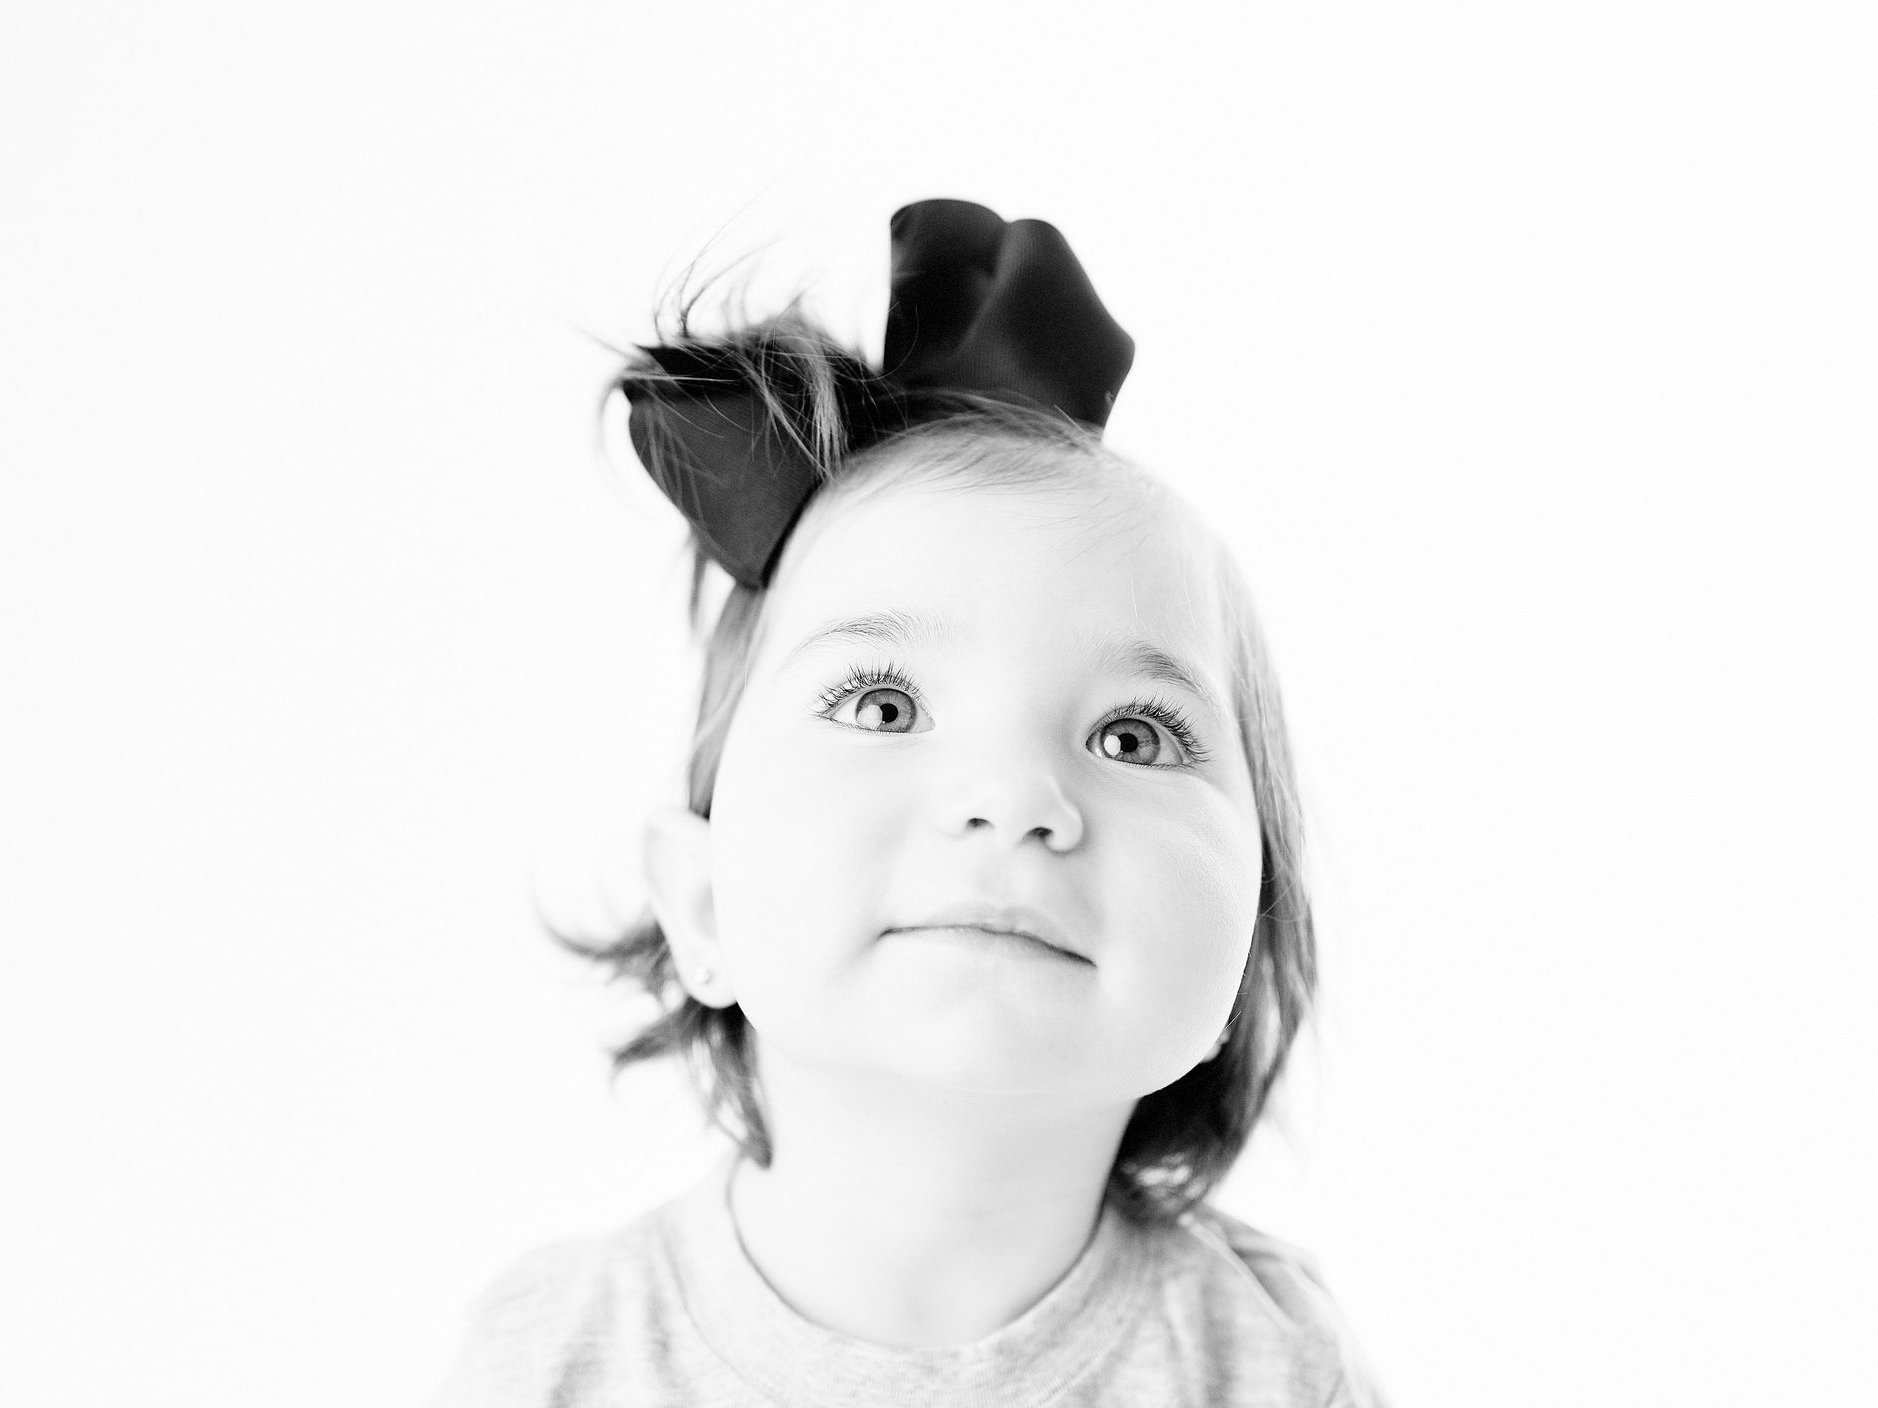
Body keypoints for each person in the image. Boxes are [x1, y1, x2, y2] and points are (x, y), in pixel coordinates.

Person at [435, 199, 1386, 1406]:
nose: (1015, 797)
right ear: (702, 900)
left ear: (1245, 934)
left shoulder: (1274, 1367)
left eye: (1133, 735)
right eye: (883, 706)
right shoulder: (552, 1359)